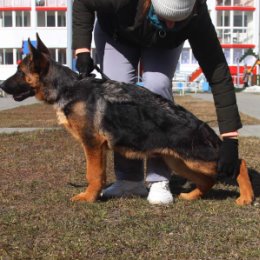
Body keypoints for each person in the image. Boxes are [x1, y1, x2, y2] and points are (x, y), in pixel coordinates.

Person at [72, 0, 242, 205]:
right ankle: (128, 179)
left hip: (164, 42)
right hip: (117, 32)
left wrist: (230, 138)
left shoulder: (197, 14)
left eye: (177, 20)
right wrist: (81, 50)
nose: (171, 24)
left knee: (157, 85)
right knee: (117, 95)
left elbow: (217, 72)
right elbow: (82, 2)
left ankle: (159, 179)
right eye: (165, 18)